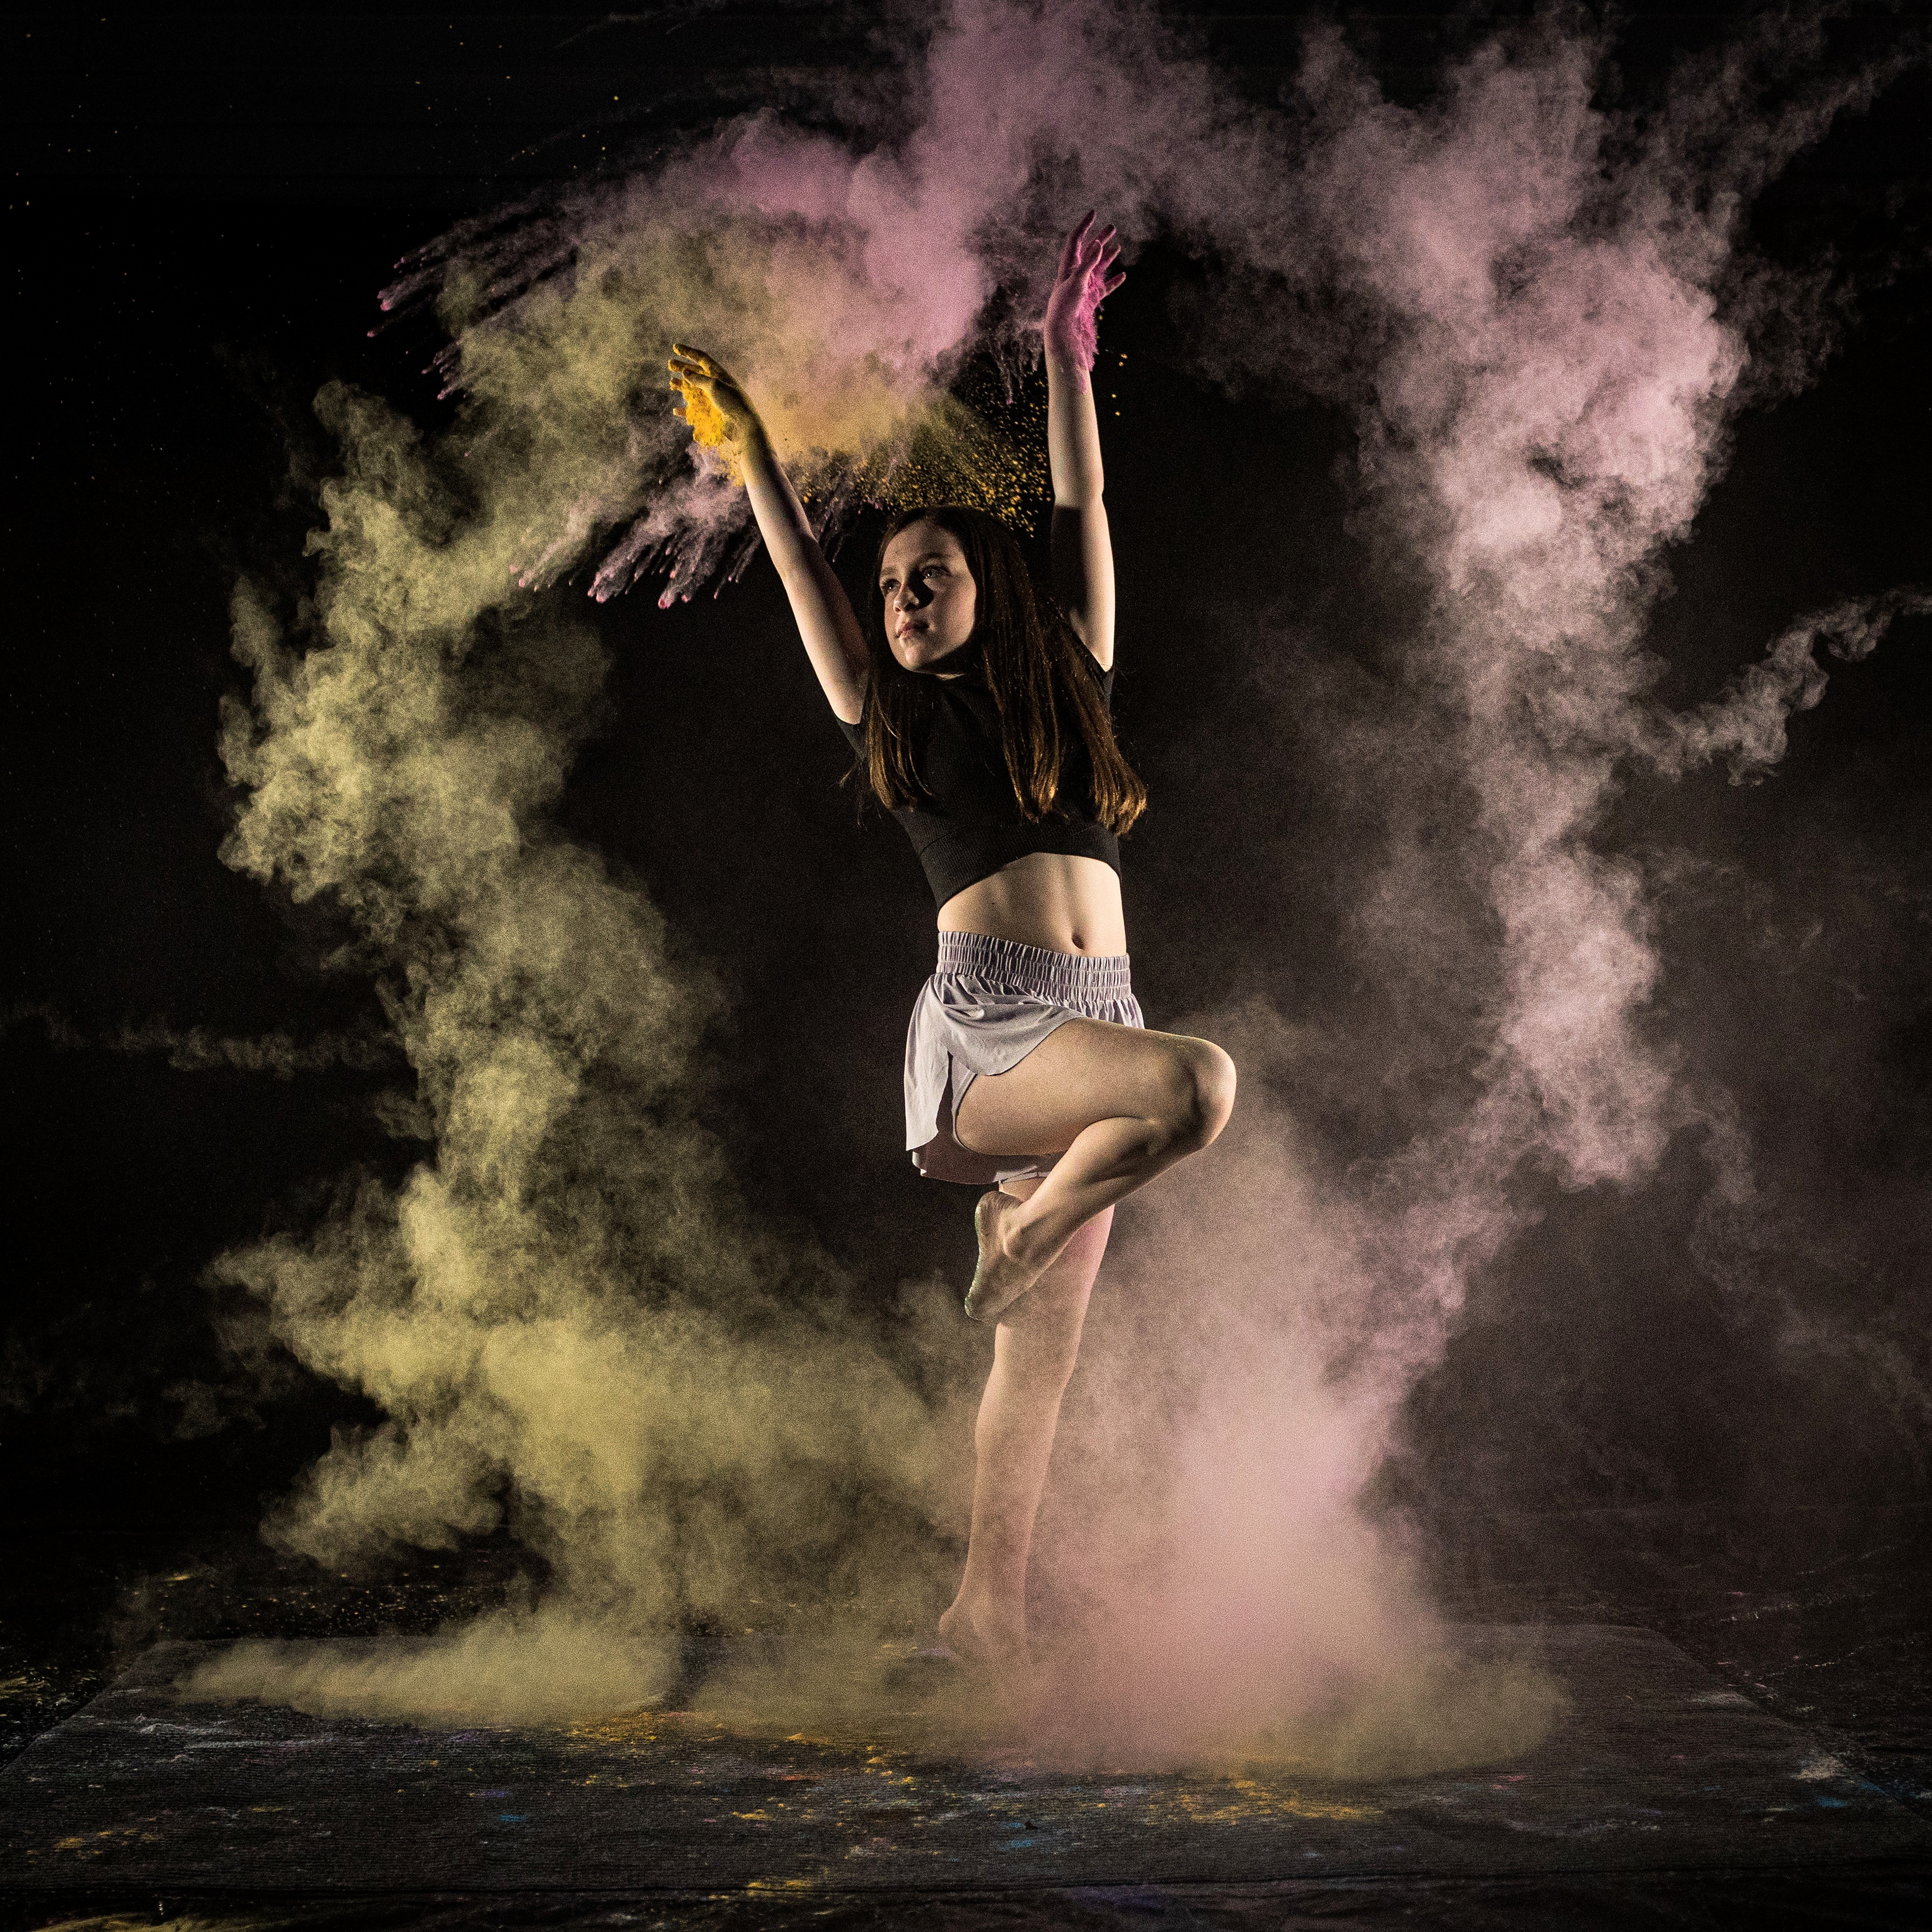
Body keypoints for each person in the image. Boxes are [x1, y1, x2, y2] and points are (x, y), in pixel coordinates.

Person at [668, 214, 1236, 1668]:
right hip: (994, 1036)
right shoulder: (891, 716)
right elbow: (803, 570)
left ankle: (984, 1617)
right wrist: (753, 453)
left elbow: (1081, 499)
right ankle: (1024, 1229)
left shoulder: (1077, 677)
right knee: (1200, 1087)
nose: (903, 599)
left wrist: (1062, 354)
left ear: (991, 582)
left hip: (1096, 1017)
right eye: (892, 590)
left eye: (929, 576)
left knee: (1037, 1367)